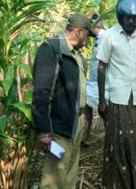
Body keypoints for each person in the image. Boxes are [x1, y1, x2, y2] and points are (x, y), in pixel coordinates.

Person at [32, 13, 96, 189]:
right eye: (87, 35)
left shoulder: (78, 56)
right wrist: (44, 130)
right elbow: (41, 92)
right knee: (54, 178)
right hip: (59, 130)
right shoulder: (51, 49)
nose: (88, 40)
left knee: (69, 175)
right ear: (78, 31)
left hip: (75, 125)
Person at [96, 0, 136, 189]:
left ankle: (135, 182)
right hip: (117, 99)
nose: (131, 21)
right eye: (128, 17)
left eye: (135, 18)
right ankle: (117, 184)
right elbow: (101, 66)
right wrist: (102, 100)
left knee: (135, 143)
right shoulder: (110, 36)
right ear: (121, 17)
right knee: (117, 144)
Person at [82, 14, 108, 146]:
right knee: (87, 107)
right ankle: (85, 135)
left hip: (102, 82)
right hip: (93, 81)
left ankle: (111, 137)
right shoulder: (99, 38)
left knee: (103, 110)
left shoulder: (105, 38)